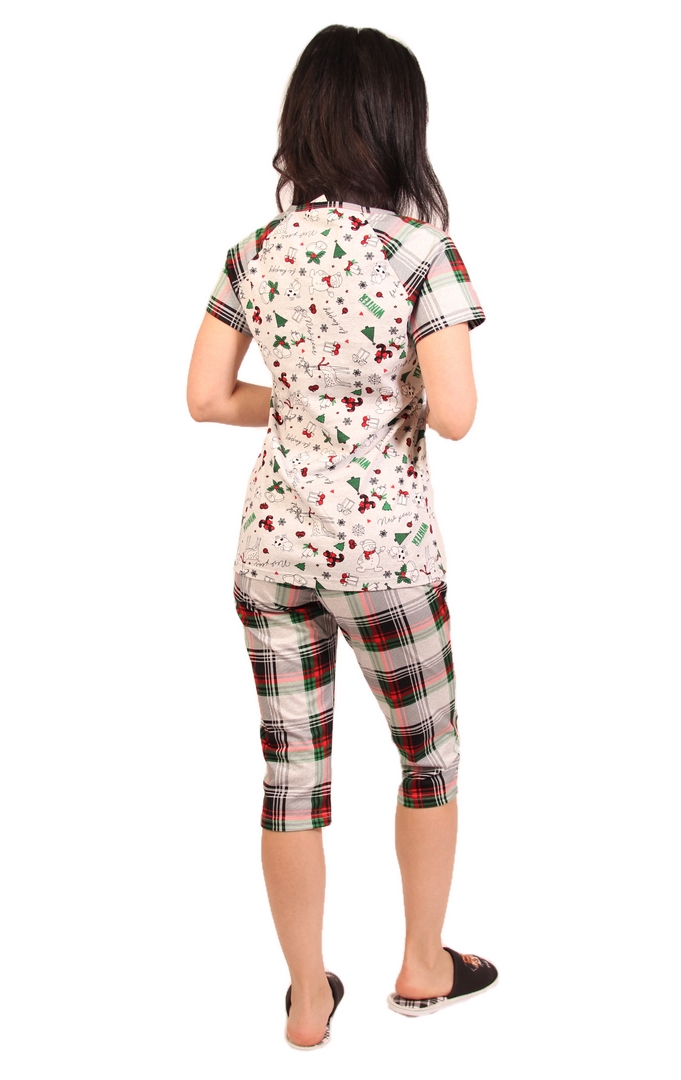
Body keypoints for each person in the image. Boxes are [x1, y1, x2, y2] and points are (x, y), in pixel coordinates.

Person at [186, 24, 498, 1050]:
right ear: (399, 125)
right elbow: (457, 414)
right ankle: (422, 965)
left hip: (272, 554)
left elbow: (206, 397)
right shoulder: (419, 252)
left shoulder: (254, 252)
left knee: (291, 775)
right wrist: (378, 401)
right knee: (429, 756)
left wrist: (304, 404)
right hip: (387, 560)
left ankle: (308, 1000)